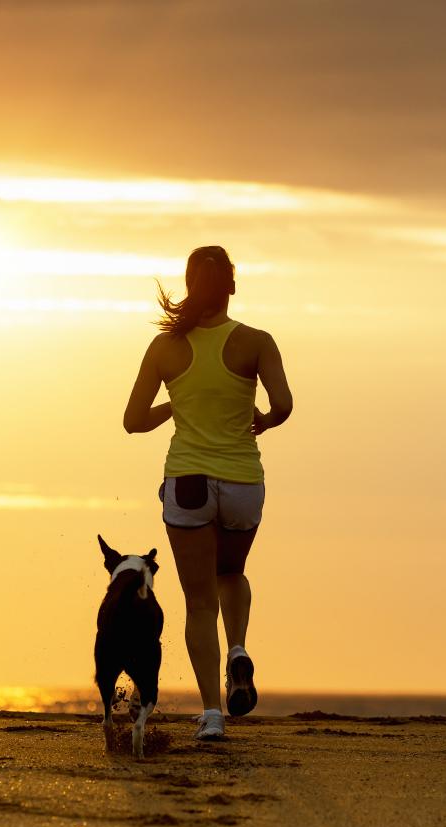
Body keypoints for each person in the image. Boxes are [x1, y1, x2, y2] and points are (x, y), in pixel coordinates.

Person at [123, 246, 293, 740]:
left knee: (199, 604)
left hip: (189, 483)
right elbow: (282, 403)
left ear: (189, 286)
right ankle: (237, 649)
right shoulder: (256, 341)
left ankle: (213, 716)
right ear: (233, 288)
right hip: (242, 482)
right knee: (232, 572)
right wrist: (264, 419)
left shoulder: (164, 348)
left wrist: (174, 409)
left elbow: (133, 422)